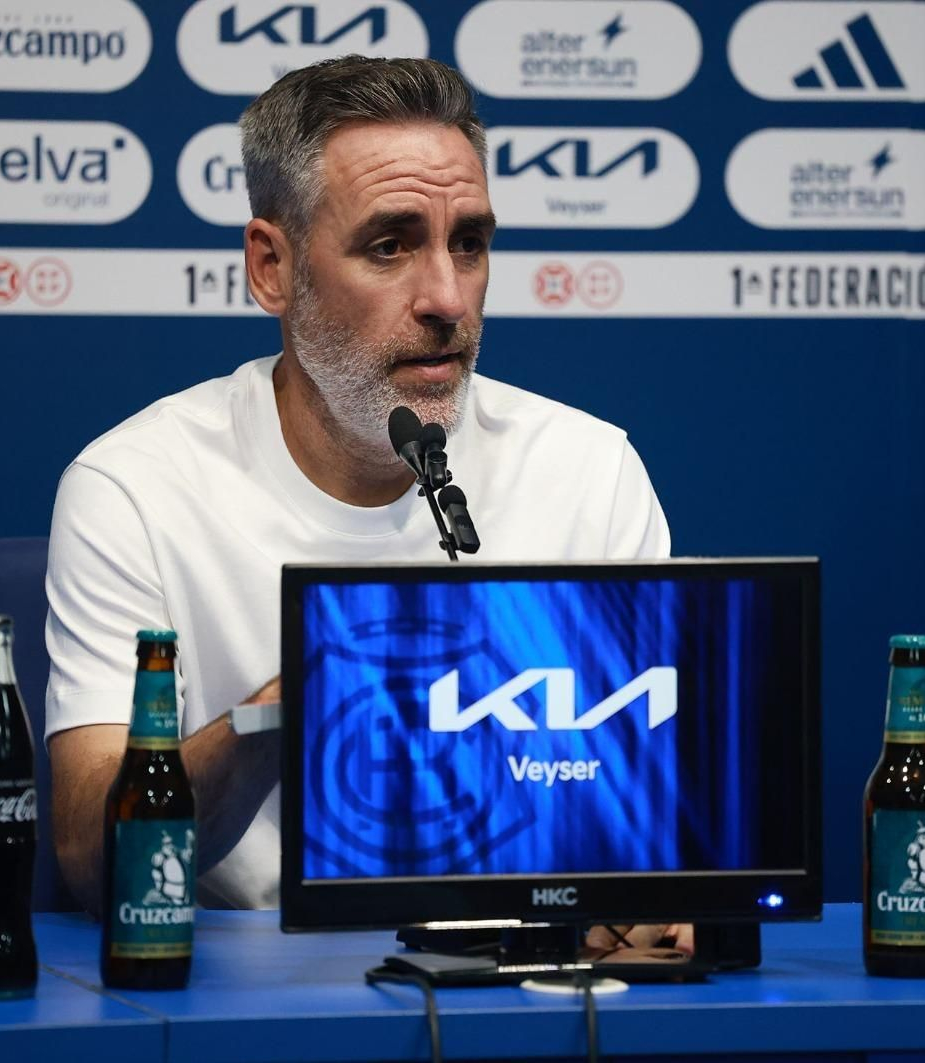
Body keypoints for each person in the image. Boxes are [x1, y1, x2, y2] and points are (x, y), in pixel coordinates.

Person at [44, 56, 670, 919]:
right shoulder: (136, 488)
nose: (448, 299)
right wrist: (288, 706)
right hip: (249, 1002)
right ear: (272, 266)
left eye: (471, 244)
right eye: (390, 245)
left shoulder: (588, 472)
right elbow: (86, 854)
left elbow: (655, 824)